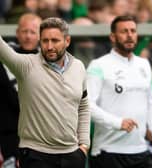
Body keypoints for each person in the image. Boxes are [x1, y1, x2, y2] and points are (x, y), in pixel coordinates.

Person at [0, 17, 90, 168]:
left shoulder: (78, 67)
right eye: (45, 41)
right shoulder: (26, 65)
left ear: (67, 41)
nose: (49, 46)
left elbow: (84, 105)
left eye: (55, 41)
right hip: (36, 155)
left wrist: (84, 145)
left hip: (72, 155)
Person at [87, 15, 152, 168]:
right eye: (124, 31)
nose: (130, 35)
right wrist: (117, 122)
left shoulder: (143, 64)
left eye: (133, 31)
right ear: (112, 37)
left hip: (140, 150)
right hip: (108, 152)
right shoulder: (98, 65)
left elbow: (150, 102)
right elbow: (87, 105)